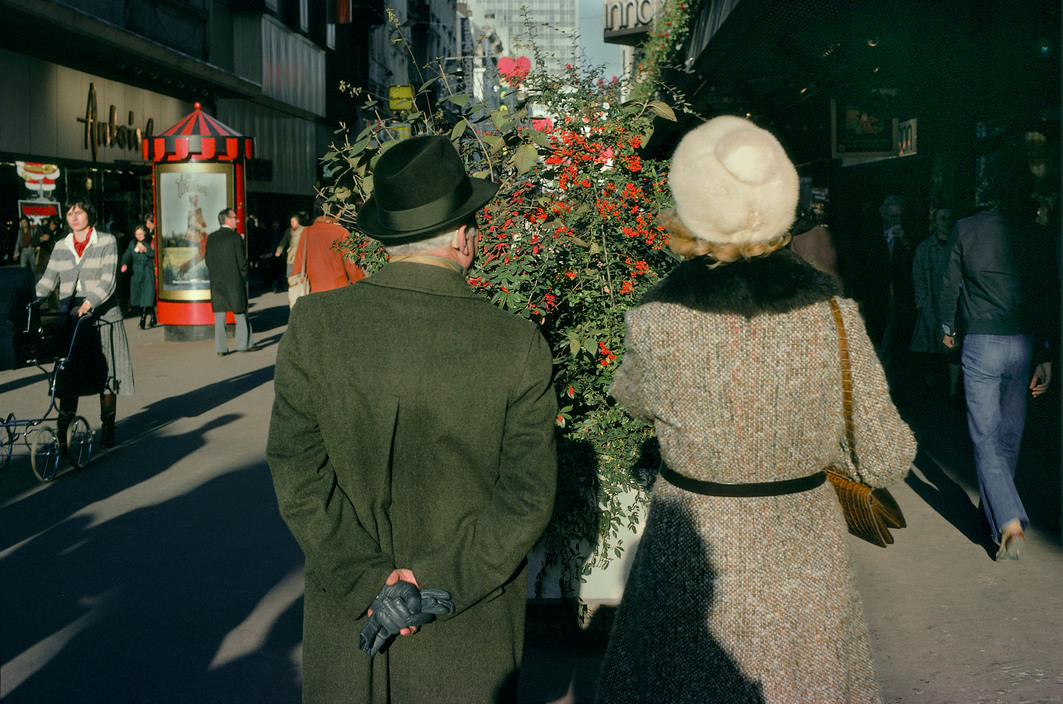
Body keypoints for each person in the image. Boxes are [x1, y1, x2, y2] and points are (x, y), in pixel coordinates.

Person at [595, 116, 916, 703]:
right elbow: (887, 457)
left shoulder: (656, 322)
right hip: (803, 562)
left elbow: (634, 400)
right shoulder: (834, 320)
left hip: (690, 557)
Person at [266, 135, 557, 703]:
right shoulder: (515, 343)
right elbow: (526, 497)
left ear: (389, 237)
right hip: (467, 628)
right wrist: (431, 583)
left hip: (351, 625)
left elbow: (296, 470)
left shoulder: (316, 324)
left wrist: (370, 582)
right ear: (466, 237)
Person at [938, 153, 1059, 561]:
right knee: (1009, 437)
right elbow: (1048, 298)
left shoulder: (966, 229)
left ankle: (1007, 518)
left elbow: (948, 287)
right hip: (1023, 344)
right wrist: (1047, 352)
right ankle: (992, 520)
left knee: (985, 437)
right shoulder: (1039, 236)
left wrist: (947, 331)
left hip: (982, 344)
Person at [35, 198, 134, 450]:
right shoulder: (61, 245)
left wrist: (88, 304)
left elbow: (108, 281)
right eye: (70, 213)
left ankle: (108, 429)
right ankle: (63, 431)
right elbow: (47, 281)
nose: (74, 217)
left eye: (79, 212)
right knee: (68, 374)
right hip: (70, 316)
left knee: (108, 375)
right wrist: (29, 301)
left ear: (89, 214)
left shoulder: (106, 241)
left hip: (102, 315)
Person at [850, 194, 916, 389]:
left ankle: (891, 385)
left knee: (899, 341)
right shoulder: (870, 235)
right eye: (893, 217)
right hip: (877, 297)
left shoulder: (909, 235)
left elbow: (915, 264)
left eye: (899, 216)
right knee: (879, 339)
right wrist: (859, 297)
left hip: (901, 298)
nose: (897, 221)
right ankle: (878, 385)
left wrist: (904, 242)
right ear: (885, 216)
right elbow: (861, 267)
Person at [909, 204, 959, 397]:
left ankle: (953, 389)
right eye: (942, 219)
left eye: (949, 218)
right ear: (935, 222)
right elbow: (918, 277)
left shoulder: (958, 245)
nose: (946, 223)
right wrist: (922, 303)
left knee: (953, 346)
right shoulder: (924, 248)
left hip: (953, 304)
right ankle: (930, 386)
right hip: (931, 303)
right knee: (930, 347)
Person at [287, 197, 365, 296]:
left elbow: (297, 267)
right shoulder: (341, 232)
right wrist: (362, 289)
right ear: (338, 212)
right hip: (339, 293)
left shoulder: (306, 233)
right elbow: (353, 267)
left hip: (312, 294)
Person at [204, 208, 253, 356]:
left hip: (217, 283)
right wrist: (244, 277)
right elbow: (242, 262)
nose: (237, 220)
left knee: (219, 317)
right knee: (240, 314)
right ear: (227, 219)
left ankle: (221, 348)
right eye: (234, 218)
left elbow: (207, 260)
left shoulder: (211, 238)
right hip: (234, 282)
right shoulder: (235, 238)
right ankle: (243, 344)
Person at [120, 224, 157, 329]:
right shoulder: (132, 244)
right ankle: (153, 317)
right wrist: (124, 264)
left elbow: (155, 254)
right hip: (137, 273)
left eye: (141, 234)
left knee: (147, 296)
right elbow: (127, 254)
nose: (139, 236)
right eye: (137, 234)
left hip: (148, 272)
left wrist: (146, 250)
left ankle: (142, 320)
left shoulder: (151, 241)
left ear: (145, 233)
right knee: (142, 298)